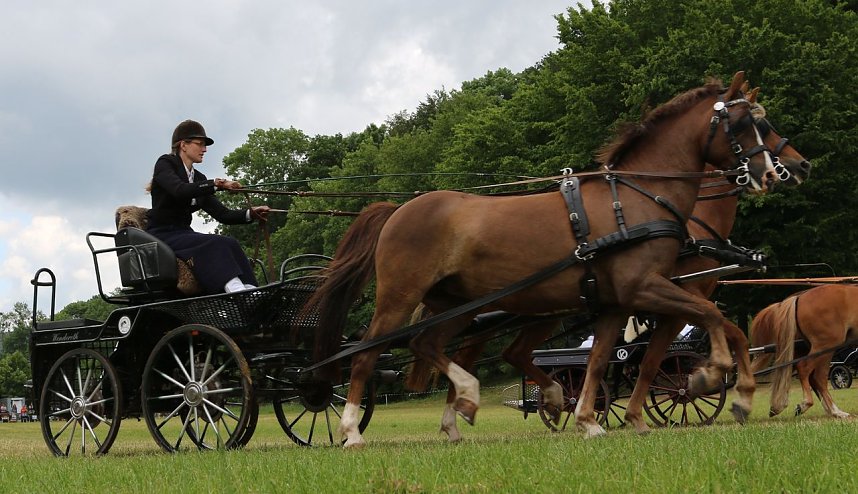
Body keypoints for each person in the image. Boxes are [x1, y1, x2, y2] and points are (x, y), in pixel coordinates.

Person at [146, 119, 270, 294]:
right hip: (162, 234)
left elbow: (222, 214)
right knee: (214, 243)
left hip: (183, 233)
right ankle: (236, 291)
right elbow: (179, 190)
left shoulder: (199, 178)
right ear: (183, 145)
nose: (204, 149)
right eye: (200, 144)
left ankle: (252, 289)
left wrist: (251, 214)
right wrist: (216, 184)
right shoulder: (166, 163)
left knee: (230, 243)